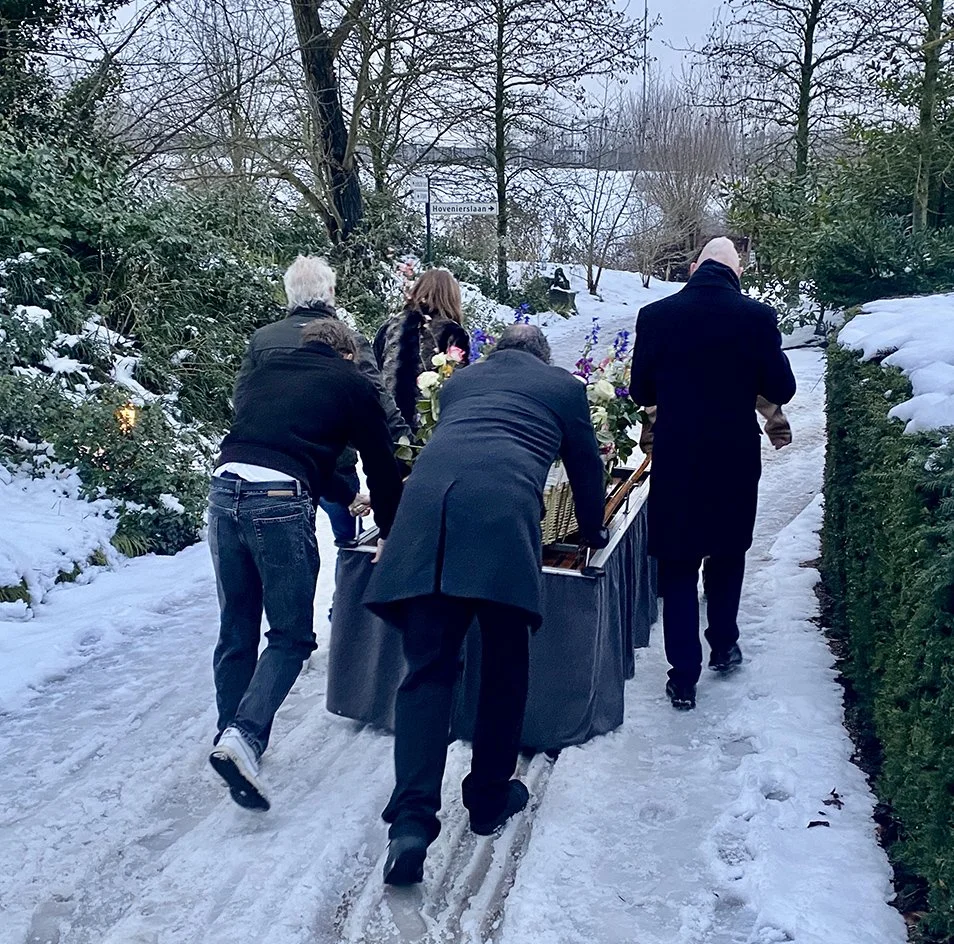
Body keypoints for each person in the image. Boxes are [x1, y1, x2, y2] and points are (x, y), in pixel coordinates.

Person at [364, 324, 609, 886]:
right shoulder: (564, 389)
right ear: (543, 358)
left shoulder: (460, 384)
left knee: (426, 672)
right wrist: (592, 529)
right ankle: (487, 799)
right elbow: (585, 466)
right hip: (501, 519)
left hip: (425, 516)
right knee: (504, 667)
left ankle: (410, 822)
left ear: (496, 352)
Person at [208, 318, 403, 810]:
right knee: (292, 636)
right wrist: (392, 522)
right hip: (277, 501)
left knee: (237, 625)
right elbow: (380, 461)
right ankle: (245, 736)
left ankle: (230, 734)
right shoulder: (351, 382)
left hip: (224, 490)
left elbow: (285, 440)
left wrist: (345, 493)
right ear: (345, 355)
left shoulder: (264, 372)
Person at [629, 237, 796, 711]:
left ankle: (683, 677)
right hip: (733, 457)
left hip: (678, 457)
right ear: (736, 272)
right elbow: (782, 386)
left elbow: (641, 389)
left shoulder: (656, 316)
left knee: (678, 564)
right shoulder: (756, 318)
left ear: (693, 266)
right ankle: (723, 645)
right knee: (726, 552)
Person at [243, 255, 410, 547]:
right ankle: (344, 589)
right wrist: (408, 448)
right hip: (336, 464)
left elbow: (243, 400)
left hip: (277, 468)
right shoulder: (349, 341)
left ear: (289, 293)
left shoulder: (262, 339)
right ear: (330, 293)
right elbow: (377, 402)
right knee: (350, 544)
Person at [374, 268, 470, 429]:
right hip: (430, 427)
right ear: (452, 297)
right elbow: (459, 386)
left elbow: (373, 372)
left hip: (387, 423)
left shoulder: (390, 327)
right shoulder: (454, 333)